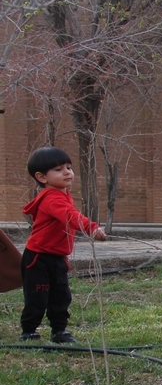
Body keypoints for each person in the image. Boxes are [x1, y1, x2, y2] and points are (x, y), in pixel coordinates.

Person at [19, 147, 106, 343]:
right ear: (41, 177)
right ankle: (29, 330)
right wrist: (91, 228)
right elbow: (70, 216)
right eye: (58, 169)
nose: (67, 172)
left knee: (61, 295)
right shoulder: (51, 198)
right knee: (38, 296)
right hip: (39, 258)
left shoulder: (63, 194)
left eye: (68, 167)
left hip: (58, 256)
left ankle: (59, 331)